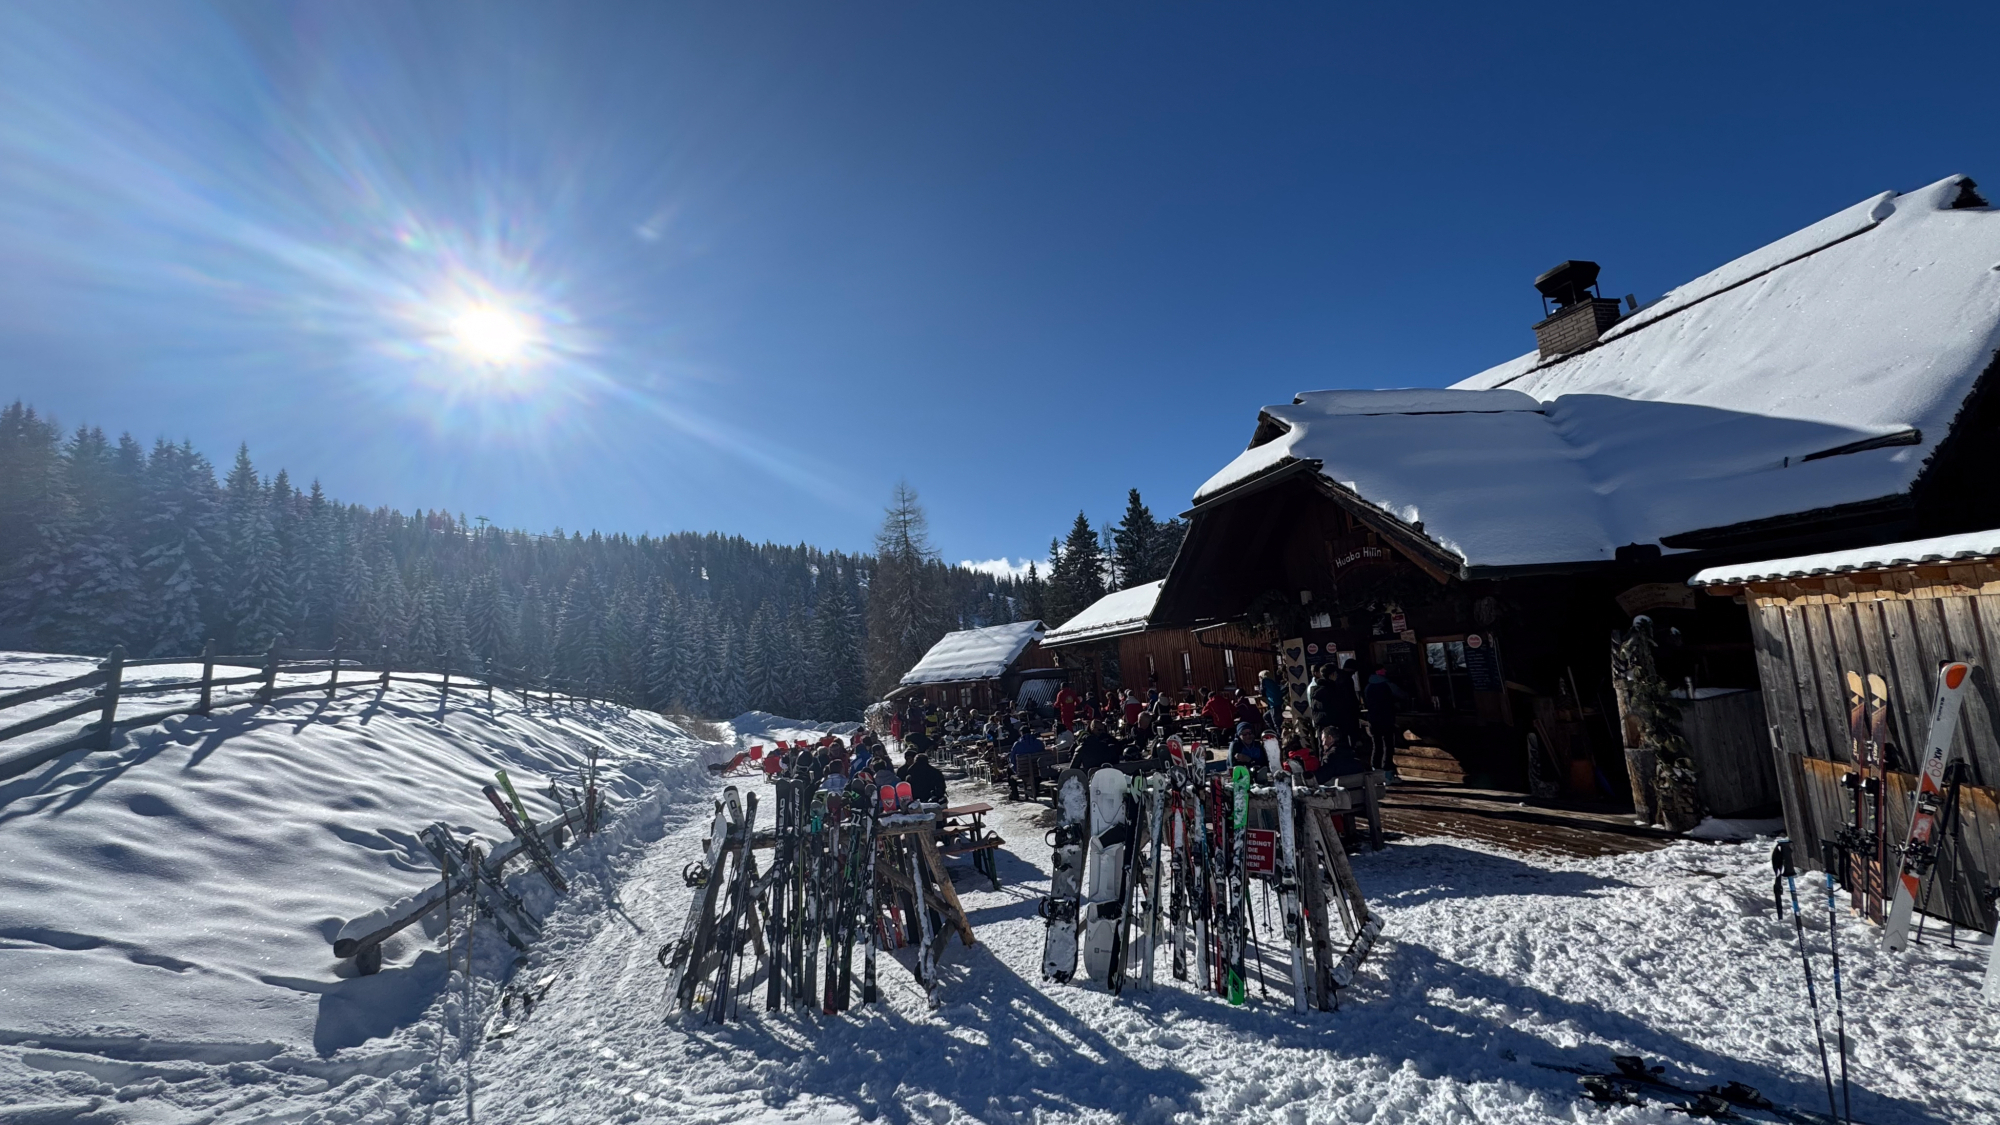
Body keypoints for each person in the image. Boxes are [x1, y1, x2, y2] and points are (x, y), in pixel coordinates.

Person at [1364, 666, 1407, 777]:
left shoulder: (1368, 686)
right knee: (1388, 745)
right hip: (1386, 718)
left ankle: (1376, 770)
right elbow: (1402, 695)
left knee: (1376, 745)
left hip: (1373, 719)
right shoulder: (1387, 684)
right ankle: (1388, 772)